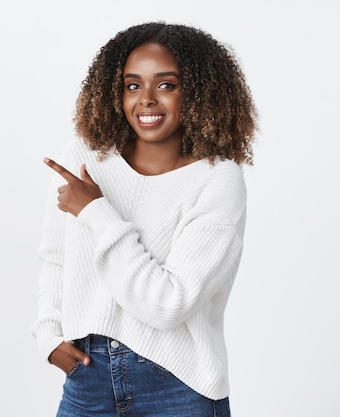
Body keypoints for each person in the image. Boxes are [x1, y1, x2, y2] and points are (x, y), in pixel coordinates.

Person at [31, 22, 257, 417]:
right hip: (88, 378)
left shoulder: (219, 181)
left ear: (200, 93)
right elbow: (56, 258)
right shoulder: (85, 157)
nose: (146, 100)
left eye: (166, 85)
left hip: (177, 387)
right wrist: (49, 336)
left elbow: (169, 305)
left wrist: (95, 212)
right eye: (132, 85)